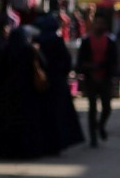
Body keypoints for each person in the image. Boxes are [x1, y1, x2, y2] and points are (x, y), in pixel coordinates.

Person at [0, 26, 46, 158]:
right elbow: (44, 65)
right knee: (27, 124)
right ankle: (27, 151)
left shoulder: (7, 50)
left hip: (8, 94)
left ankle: (7, 151)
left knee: (9, 123)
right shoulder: (30, 50)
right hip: (28, 93)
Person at [36, 14, 85, 153]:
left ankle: (46, 144)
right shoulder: (56, 40)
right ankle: (57, 144)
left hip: (43, 84)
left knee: (45, 115)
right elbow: (66, 61)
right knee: (58, 116)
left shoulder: (39, 41)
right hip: (57, 83)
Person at [76, 14, 118, 147]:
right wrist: (87, 69)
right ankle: (93, 138)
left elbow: (113, 60)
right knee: (92, 109)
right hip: (91, 79)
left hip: (105, 78)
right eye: (97, 23)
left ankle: (100, 126)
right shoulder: (86, 41)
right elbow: (80, 61)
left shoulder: (110, 41)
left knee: (107, 107)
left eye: (102, 23)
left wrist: (101, 67)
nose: (99, 26)